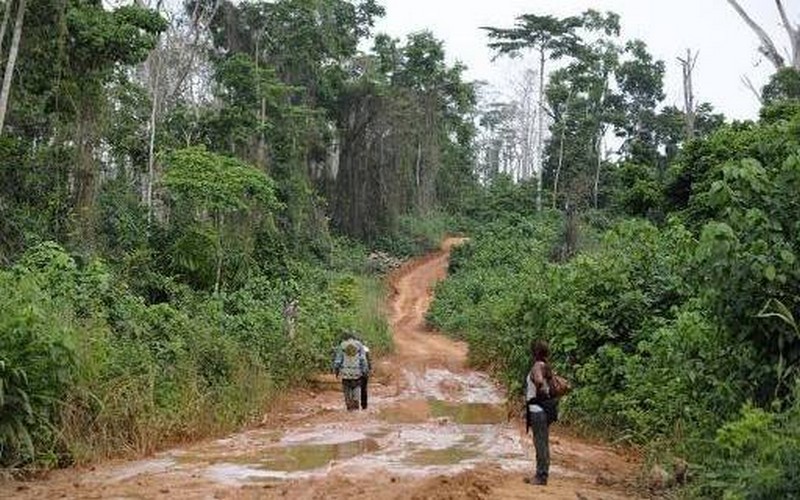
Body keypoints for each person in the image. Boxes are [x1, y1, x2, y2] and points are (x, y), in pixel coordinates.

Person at [524, 339, 558, 486]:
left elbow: (538, 381)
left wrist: (540, 392)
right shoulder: (546, 366)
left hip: (538, 410)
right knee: (543, 442)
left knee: (540, 443)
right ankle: (542, 473)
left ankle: (541, 476)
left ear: (534, 352)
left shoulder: (537, 366)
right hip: (545, 410)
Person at [333, 332, 369, 411]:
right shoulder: (359, 345)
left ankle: (349, 407)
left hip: (345, 373)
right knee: (356, 388)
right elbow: (363, 360)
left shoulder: (342, 345)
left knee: (347, 390)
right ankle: (356, 405)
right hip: (357, 373)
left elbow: (338, 361)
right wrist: (364, 370)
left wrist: (336, 371)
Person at [359, 341, 372, 409]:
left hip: (354, 371)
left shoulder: (354, 348)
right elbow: (369, 361)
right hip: (364, 372)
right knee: (363, 389)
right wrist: (369, 370)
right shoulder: (366, 349)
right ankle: (364, 405)